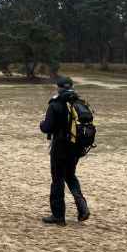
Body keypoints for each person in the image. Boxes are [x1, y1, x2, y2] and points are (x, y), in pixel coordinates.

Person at [39, 76, 90, 226]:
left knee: (57, 180)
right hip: (76, 148)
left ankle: (58, 216)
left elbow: (47, 127)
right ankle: (83, 207)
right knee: (70, 176)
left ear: (59, 87)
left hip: (60, 147)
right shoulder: (79, 102)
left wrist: (41, 124)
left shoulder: (55, 104)